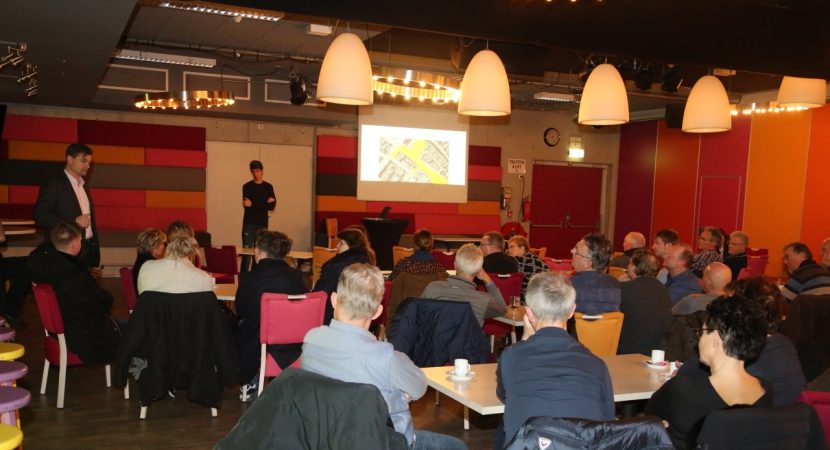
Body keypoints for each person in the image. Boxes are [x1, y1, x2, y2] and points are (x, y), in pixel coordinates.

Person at [302, 263, 467, 450]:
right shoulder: (385, 357)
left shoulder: (311, 341)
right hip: (384, 443)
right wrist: (400, 396)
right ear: (377, 312)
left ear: (333, 299)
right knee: (457, 446)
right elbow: (419, 387)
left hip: (329, 439)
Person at [495, 272, 614, 449]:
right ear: (572, 311)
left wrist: (526, 339)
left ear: (529, 312)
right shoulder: (597, 365)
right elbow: (608, 421)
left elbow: (504, 395)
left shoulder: (510, 357)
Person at [645, 295, 772, 450]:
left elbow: (649, 417)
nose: (699, 339)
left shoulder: (683, 390)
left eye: (702, 332)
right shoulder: (765, 390)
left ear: (716, 339)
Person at [677, 276, 806, 407]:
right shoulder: (784, 344)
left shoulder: (737, 353)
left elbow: (685, 376)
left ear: (742, 313)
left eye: (729, 304)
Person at [26, 221, 119, 364]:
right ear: (75, 244)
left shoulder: (45, 264)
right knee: (142, 331)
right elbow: (105, 301)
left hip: (63, 329)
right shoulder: (72, 276)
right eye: (81, 240)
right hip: (83, 337)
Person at [235, 230, 308, 400]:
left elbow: (241, 310)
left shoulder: (249, 278)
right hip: (295, 339)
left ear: (259, 250)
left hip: (260, 341)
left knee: (240, 325)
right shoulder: (298, 277)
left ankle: (250, 378)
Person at [34, 143, 100, 269]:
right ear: (69, 159)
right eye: (83, 161)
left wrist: (95, 251)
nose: (88, 166)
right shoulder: (54, 183)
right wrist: (74, 221)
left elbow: (90, 223)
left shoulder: (84, 186)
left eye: (89, 162)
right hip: (64, 252)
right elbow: (40, 217)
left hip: (87, 249)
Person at [420, 243, 507, 326]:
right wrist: (487, 279)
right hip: (467, 337)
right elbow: (502, 309)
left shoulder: (433, 288)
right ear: (478, 270)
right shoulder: (483, 301)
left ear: (455, 265)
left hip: (436, 336)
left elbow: (419, 315)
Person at [313, 228, 373, 324]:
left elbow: (320, 294)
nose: (337, 246)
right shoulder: (368, 262)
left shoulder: (334, 266)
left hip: (333, 318)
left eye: (341, 243)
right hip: (361, 317)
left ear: (352, 246)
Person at [618, 249, 672, 355]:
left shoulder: (624, 289)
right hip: (659, 350)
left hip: (629, 351)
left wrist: (618, 283)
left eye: (629, 263)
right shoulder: (663, 289)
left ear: (633, 267)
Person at [137, 236, 214, 295]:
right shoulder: (204, 278)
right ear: (191, 254)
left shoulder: (146, 268)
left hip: (154, 311)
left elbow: (143, 297)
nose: (163, 246)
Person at [570, 232, 621, 314]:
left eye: (576, 251)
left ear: (588, 263)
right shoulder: (615, 285)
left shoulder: (569, 286)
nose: (572, 251)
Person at [241, 160, 276, 273]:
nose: (256, 174)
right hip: (249, 224)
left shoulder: (268, 187)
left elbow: (271, 207)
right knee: (246, 255)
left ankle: (257, 276)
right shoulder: (247, 186)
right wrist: (264, 203)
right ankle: (244, 278)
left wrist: (253, 204)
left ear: (262, 171)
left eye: (258, 171)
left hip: (262, 224)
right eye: (253, 172)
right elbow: (248, 207)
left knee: (260, 253)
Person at [132, 228, 167, 294]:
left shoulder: (141, 260)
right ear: (153, 245)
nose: (163, 246)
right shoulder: (149, 265)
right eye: (161, 244)